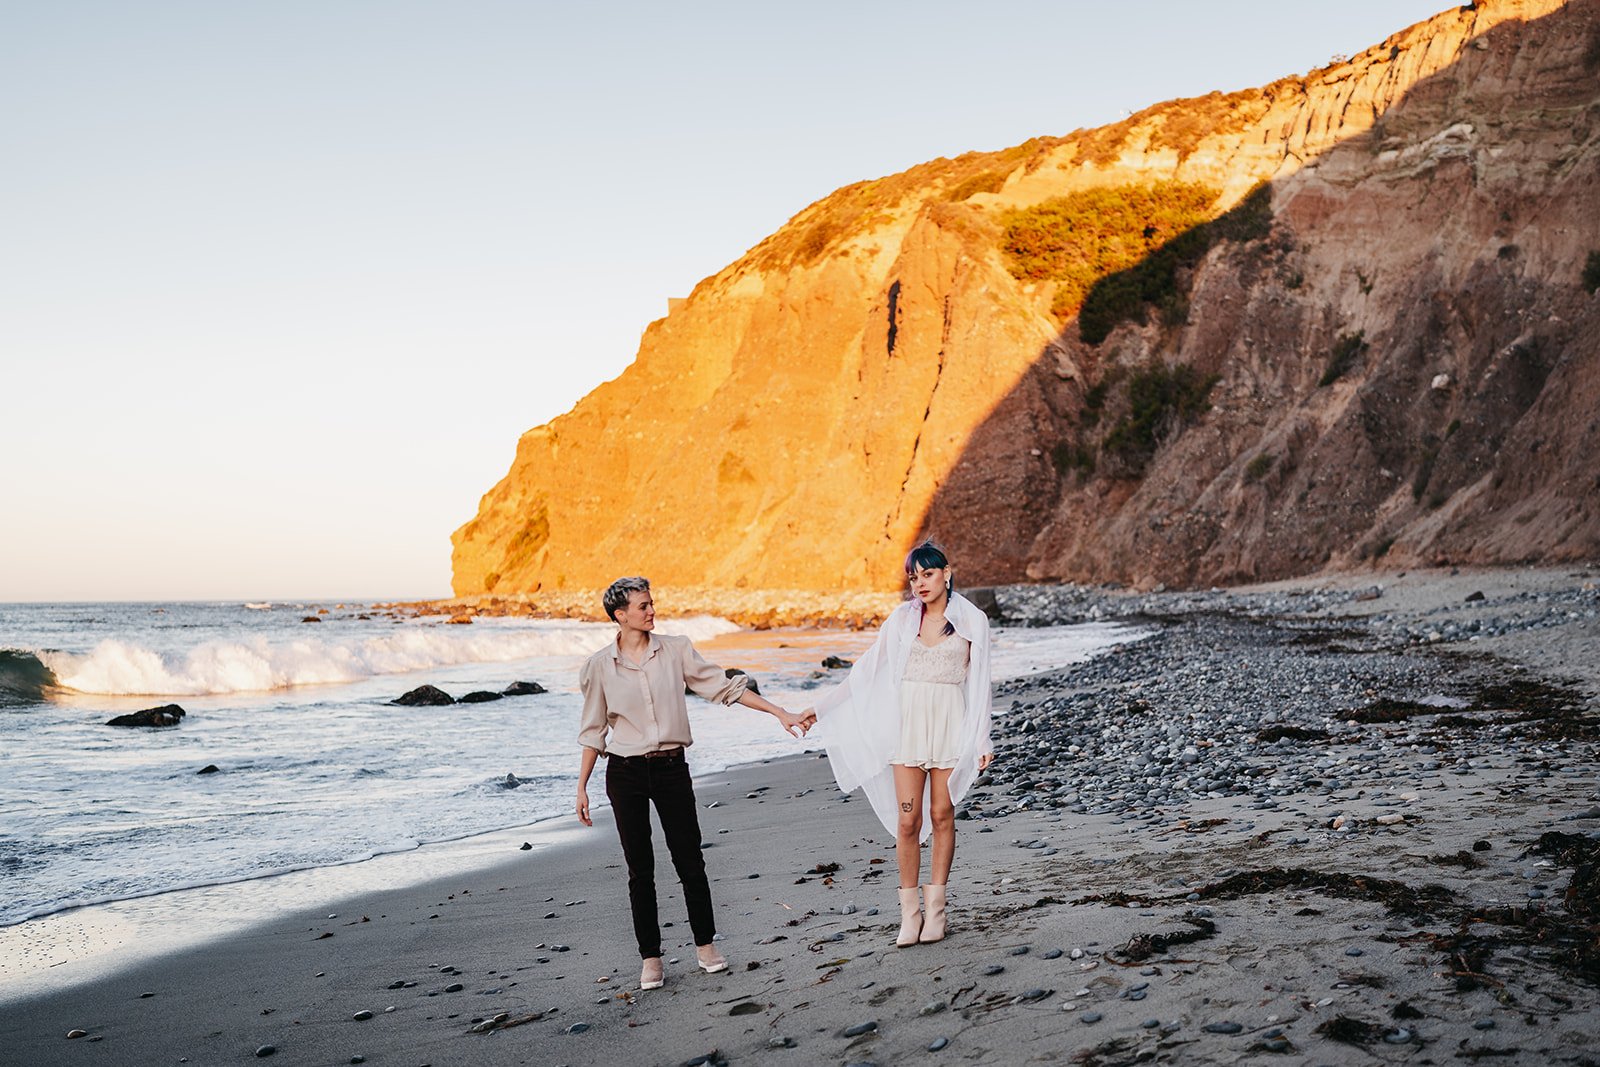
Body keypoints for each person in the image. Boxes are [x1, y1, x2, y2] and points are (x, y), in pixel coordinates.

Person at [575, 576, 810, 992]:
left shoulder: (676, 649)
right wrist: (582, 787)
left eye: (651, 603)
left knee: (690, 860)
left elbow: (724, 689)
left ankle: (705, 946)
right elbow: (593, 730)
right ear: (620, 615)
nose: (652, 610)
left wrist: (780, 712)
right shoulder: (598, 667)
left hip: (671, 769)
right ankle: (651, 959)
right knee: (639, 870)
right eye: (643, 606)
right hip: (625, 774)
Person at [803, 541, 994, 947]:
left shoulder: (972, 620)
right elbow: (865, 672)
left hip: (949, 724)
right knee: (908, 821)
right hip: (906, 728)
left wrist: (982, 735)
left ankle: (937, 911)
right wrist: (818, 710)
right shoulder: (901, 621)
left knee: (942, 814)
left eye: (927, 574)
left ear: (946, 572)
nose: (919, 584)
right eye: (913, 577)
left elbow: (981, 683)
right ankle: (910, 915)